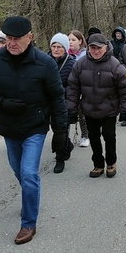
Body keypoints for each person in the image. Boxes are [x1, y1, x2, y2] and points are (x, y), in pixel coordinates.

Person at [0, 16, 67, 245]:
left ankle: (28, 223)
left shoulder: (44, 63)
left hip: (34, 127)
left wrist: (60, 131)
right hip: (9, 126)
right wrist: (1, 102)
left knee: (29, 174)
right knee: (19, 171)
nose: (12, 43)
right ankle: (30, 196)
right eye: (8, 38)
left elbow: (57, 97)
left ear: (30, 37)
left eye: (17, 38)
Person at [66, 32, 126, 180]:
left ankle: (111, 163)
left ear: (106, 47)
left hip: (109, 109)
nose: (96, 51)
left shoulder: (115, 65)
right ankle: (98, 164)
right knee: (94, 137)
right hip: (89, 109)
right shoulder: (81, 64)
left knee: (109, 137)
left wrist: (125, 110)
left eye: (99, 48)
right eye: (92, 48)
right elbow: (73, 87)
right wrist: (71, 107)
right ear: (88, 48)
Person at [49, 33, 76, 173]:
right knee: (54, 128)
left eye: (59, 47)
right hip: (47, 102)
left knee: (61, 130)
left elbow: (75, 86)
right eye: (54, 46)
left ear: (65, 48)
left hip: (64, 102)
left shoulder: (72, 63)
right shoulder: (45, 61)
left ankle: (60, 158)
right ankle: (68, 145)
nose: (56, 49)